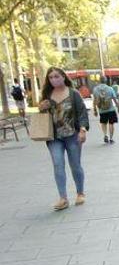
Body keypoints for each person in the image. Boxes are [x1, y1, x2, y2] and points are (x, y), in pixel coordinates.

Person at [37, 67, 89, 211]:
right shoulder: (47, 94)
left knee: (75, 165)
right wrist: (41, 107)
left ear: (63, 77)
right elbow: (43, 114)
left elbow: (82, 113)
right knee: (58, 164)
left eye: (56, 76)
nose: (54, 79)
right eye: (51, 77)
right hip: (54, 138)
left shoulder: (73, 94)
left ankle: (80, 193)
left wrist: (83, 130)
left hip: (73, 135)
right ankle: (63, 198)